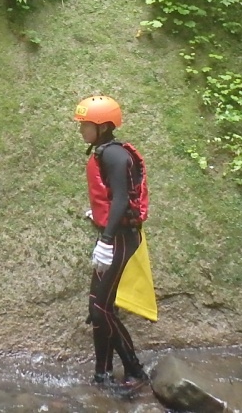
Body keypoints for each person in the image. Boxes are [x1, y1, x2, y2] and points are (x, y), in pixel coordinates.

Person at [75, 95, 150, 394]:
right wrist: (99, 215)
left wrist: (106, 240)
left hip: (119, 238)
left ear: (103, 127)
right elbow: (112, 197)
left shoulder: (114, 155)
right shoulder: (105, 152)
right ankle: (102, 372)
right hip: (115, 233)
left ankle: (135, 370)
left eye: (86, 125)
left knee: (100, 309)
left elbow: (121, 198)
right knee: (100, 307)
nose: (81, 130)